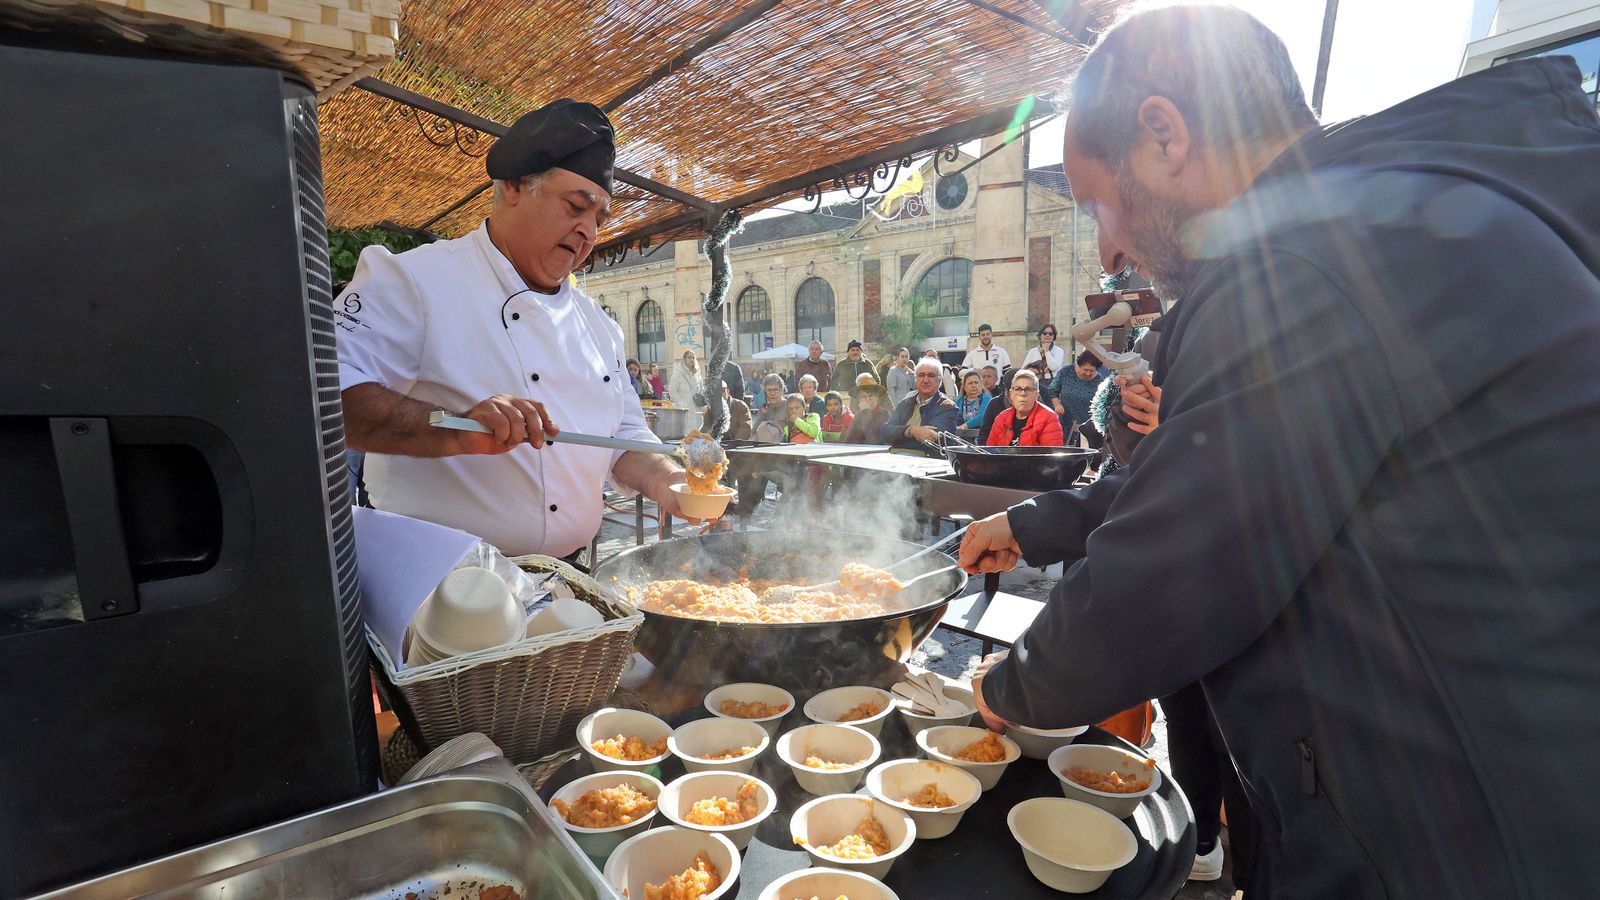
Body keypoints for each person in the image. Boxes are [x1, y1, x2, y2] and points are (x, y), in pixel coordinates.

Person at [961, 7, 1600, 898]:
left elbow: (1170, 576)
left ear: (1164, 133)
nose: (1105, 248)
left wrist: (1009, 688)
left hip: (1463, 842)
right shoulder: (1372, 223)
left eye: (1097, 202)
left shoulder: (1309, 261)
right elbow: (1225, 473)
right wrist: (1036, 523)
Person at [337, 99, 699, 558]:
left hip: (568, 581)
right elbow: (325, 396)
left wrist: (670, 480)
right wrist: (455, 428)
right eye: (575, 206)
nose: (588, 230)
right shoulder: (413, 280)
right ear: (513, 185)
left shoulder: (599, 326)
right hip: (437, 584)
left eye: (599, 218)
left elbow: (622, 439)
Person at [879, 357, 960, 455]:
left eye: (931, 375)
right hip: (895, 457)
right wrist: (911, 430)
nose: (925, 380)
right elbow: (885, 431)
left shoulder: (947, 407)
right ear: (916, 379)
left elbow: (929, 441)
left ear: (939, 381)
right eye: (921, 375)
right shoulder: (906, 403)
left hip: (926, 461)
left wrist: (898, 435)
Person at [984, 368, 1063, 447]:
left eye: (1028, 389)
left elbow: (1051, 456)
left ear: (1037, 394)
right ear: (1011, 394)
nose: (1022, 394)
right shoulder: (1001, 418)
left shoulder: (1049, 418)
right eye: (1018, 389)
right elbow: (989, 452)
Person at [1050, 351, 1108, 447]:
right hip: (1066, 421)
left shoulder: (1099, 382)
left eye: (1092, 371)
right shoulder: (1066, 372)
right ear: (1078, 365)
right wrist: (1057, 404)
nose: (1088, 373)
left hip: (1087, 426)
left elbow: (1102, 405)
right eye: (1085, 369)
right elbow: (1052, 389)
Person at [843, 377, 890, 443]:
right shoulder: (858, 416)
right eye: (864, 397)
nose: (868, 400)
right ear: (859, 400)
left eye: (871, 396)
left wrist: (865, 412)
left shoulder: (884, 414)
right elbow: (849, 440)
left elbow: (874, 441)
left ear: (877, 397)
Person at [750, 373, 788, 443]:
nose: (772, 393)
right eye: (769, 390)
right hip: (764, 444)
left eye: (775, 389)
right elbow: (754, 431)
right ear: (765, 392)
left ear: (781, 391)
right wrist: (763, 415)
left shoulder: (789, 406)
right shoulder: (764, 408)